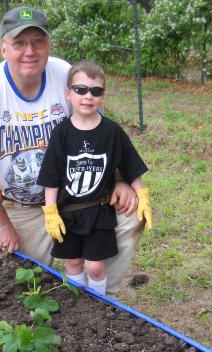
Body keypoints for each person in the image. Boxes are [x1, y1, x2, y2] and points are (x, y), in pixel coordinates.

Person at [0, 6, 144, 296]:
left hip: (84, 201)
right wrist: (1, 224)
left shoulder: (66, 76)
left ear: (48, 45)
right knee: (27, 290)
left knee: (131, 214)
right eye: (19, 43)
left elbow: (101, 134)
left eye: (38, 42)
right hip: (24, 207)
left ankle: (104, 300)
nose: (30, 51)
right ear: (3, 48)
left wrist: (119, 180)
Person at [36, 61, 152, 296]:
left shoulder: (112, 132)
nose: (88, 96)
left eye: (95, 91)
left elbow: (130, 166)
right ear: (69, 94)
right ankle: (78, 303)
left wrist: (143, 195)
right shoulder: (61, 132)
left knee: (95, 266)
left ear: (102, 96)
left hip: (99, 211)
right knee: (73, 264)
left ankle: (97, 302)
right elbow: (52, 176)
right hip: (68, 212)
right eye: (81, 90)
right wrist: (50, 211)